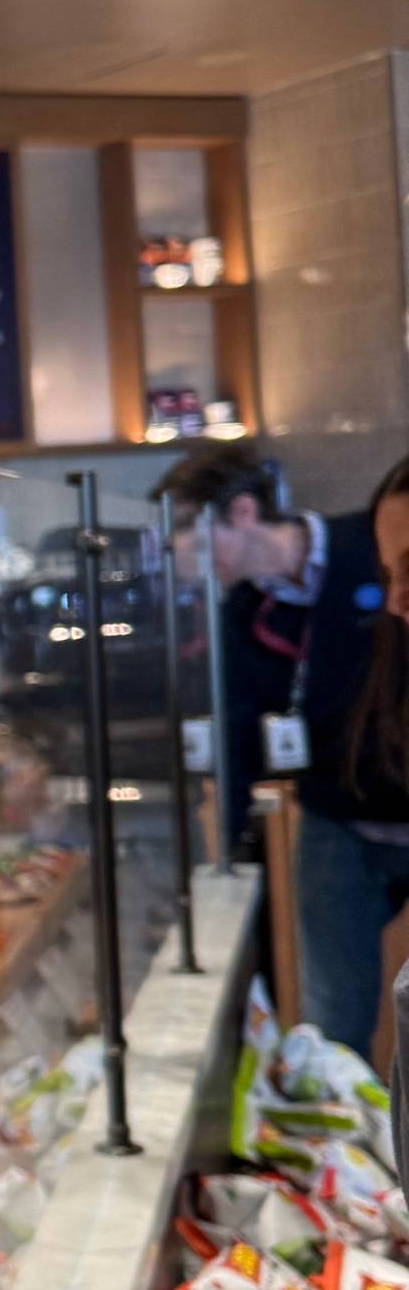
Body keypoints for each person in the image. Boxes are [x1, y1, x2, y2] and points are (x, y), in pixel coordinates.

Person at [162, 442, 409, 1055]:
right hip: (338, 823)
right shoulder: (243, 614)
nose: (179, 557)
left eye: (187, 535)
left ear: (243, 513)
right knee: (331, 1019)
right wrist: (229, 851)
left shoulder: (367, 546)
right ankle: (348, 1145)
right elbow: (238, 736)